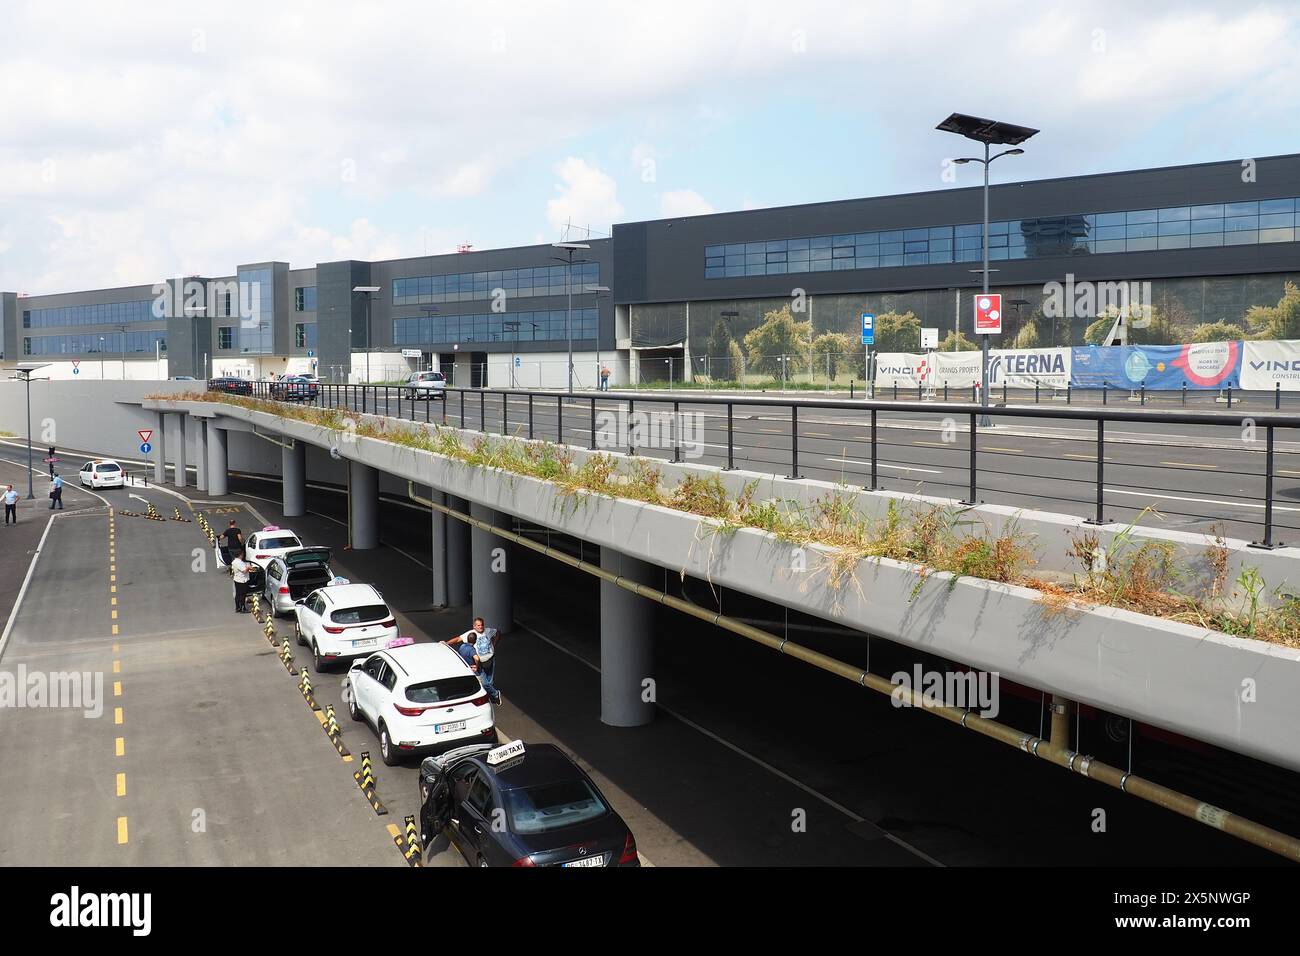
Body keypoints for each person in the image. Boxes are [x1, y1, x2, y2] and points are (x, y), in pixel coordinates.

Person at [445, 617, 500, 704]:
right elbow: (458, 639)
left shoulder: (488, 631)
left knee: (489, 680)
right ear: (474, 626)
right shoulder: (471, 634)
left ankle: (491, 696)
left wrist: (494, 643)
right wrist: (446, 643)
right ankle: (495, 694)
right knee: (485, 683)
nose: (481, 627)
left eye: (482, 625)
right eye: (478, 625)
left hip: (490, 659)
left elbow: (497, 632)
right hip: (479, 662)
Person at [230, 549, 252, 613]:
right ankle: (243, 608)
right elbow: (244, 571)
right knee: (243, 595)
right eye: (242, 554)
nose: (243, 555)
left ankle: (237, 607)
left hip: (237, 579)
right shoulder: (239, 562)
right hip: (242, 580)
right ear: (240, 555)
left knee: (238, 594)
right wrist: (249, 567)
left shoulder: (235, 561)